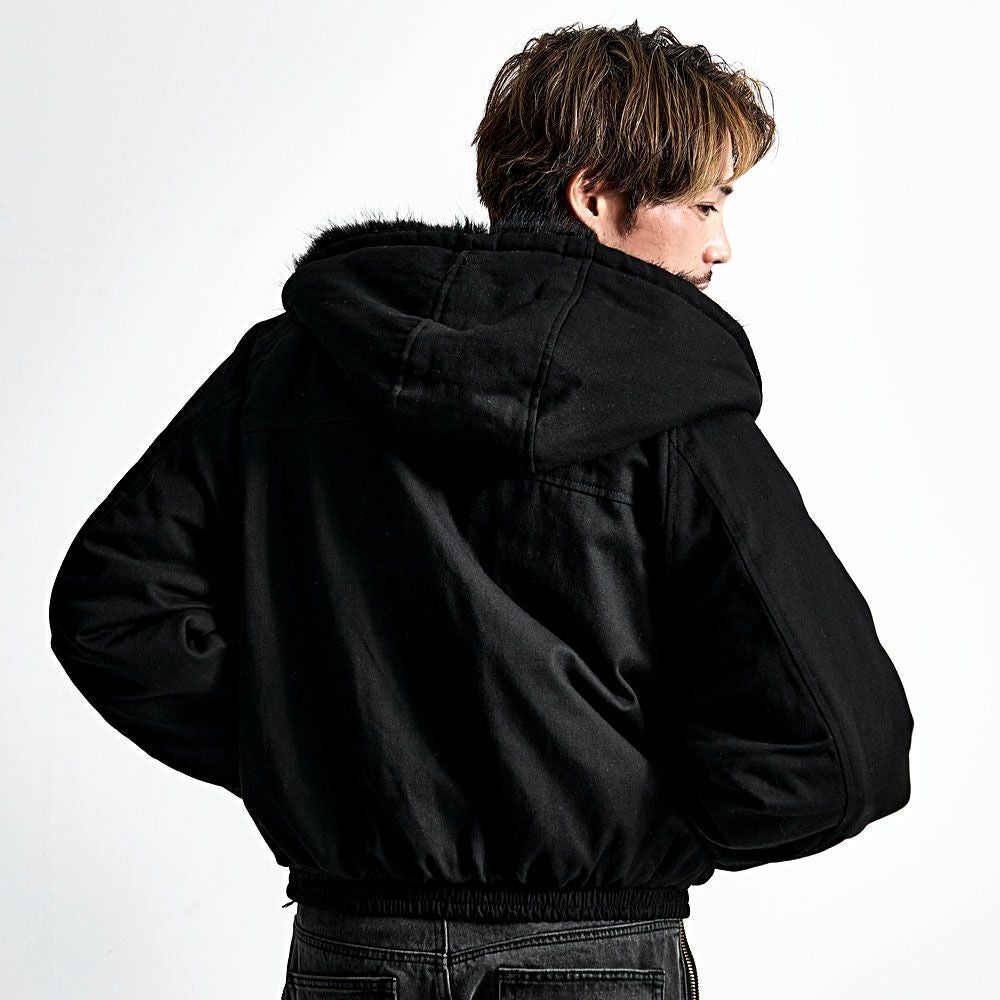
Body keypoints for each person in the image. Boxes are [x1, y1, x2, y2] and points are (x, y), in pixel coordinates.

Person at [47, 20, 913, 1000]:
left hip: (354, 953)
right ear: (596, 197)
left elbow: (116, 610)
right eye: (706, 203)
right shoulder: (677, 411)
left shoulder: (287, 369)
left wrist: (311, 747)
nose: (721, 246)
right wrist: (631, 807)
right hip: (588, 956)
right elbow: (845, 748)